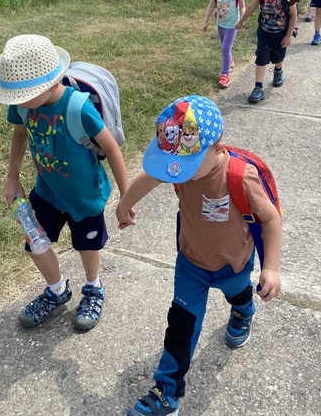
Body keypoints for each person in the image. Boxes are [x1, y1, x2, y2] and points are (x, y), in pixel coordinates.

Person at [116, 95, 282, 416]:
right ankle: (167, 393)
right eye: (173, 164)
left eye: (186, 165)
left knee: (238, 294)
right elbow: (150, 178)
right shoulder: (179, 165)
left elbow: (271, 218)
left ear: (218, 148)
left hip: (233, 263)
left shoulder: (239, 176)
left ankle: (243, 311)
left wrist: (271, 268)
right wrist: (124, 205)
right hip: (191, 263)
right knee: (181, 325)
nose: (176, 171)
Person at [0, 34, 132, 329]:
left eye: (23, 95)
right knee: (35, 243)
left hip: (84, 196)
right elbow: (20, 133)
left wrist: (126, 200)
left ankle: (93, 287)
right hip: (47, 192)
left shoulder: (78, 108)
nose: (17, 102)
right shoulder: (23, 104)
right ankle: (56, 290)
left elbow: (112, 149)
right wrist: (12, 177)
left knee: (87, 246)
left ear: (51, 84)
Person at [235, 0, 297, 104]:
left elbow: (293, 15)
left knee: (278, 56)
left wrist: (288, 36)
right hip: (263, 30)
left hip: (280, 32)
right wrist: (241, 21)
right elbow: (252, 6)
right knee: (261, 57)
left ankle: (278, 70)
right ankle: (258, 87)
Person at [202, 0, 246, 89]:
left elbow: (242, 6)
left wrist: (242, 20)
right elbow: (211, 5)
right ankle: (230, 60)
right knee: (224, 46)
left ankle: (225, 75)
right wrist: (205, 21)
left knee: (225, 48)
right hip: (220, 23)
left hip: (233, 24)